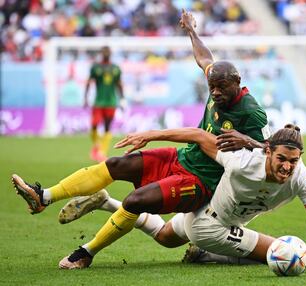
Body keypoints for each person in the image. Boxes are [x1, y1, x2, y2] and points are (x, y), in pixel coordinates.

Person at [11, 9, 269, 265]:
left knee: (136, 201)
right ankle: (43, 197)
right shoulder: (217, 80)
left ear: (237, 82)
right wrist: (191, 31)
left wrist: (248, 142)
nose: (214, 93)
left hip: (202, 182)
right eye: (211, 87)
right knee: (117, 164)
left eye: (221, 88)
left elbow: (269, 150)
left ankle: (86, 252)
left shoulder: (252, 113)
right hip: (183, 158)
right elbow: (204, 58)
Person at [57, 124, 306, 270]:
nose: (287, 166)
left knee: (164, 236)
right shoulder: (243, 160)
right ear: (269, 151)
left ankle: (106, 201)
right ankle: (206, 253)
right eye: (281, 159)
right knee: (285, 255)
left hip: (202, 210)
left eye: (293, 161)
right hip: (211, 226)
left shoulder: (301, 176)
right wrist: (152, 134)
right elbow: (200, 136)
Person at [85, 46, 124, 162]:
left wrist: (122, 99)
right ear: (102, 53)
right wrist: (85, 97)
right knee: (93, 126)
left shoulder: (116, 68)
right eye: (104, 51)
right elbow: (89, 82)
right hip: (98, 102)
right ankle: (97, 145)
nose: (106, 53)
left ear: (110, 53)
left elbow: (119, 84)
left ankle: (102, 152)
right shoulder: (96, 68)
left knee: (107, 127)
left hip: (111, 102)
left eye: (108, 52)